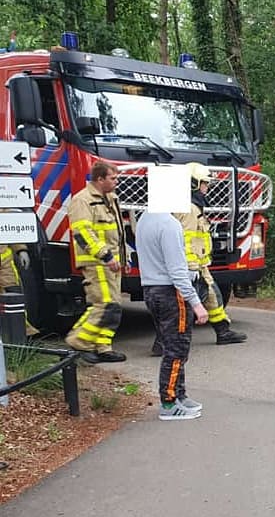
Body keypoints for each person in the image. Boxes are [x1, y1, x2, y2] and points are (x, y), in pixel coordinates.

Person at [150, 162, 247, 355]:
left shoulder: (192, 206)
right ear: (193, 184)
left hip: (200, 264)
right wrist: (190, 268)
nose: (207, 187)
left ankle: (223, 331)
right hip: (191, 266)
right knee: (182, 307)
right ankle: (161, 343)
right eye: (204, 183)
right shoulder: (188, 209)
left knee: (213, 296)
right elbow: (184, 240)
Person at [136, 211, 209, 420]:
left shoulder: (144, 219)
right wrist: (197, 304)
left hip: (151, 289)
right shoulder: (169, 225)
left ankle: (179, 395)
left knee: (170, 345)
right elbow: (177, 271)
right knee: (177, 348)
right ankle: (168, 403)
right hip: (170, 293)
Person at [64, 161, 127, 363]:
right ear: (100, 179)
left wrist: (123, 258)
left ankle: (103, 346)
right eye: (113, 178)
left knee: (114, 305)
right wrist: (106, 256)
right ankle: (78, 342)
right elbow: (83, 233)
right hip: (97, 262)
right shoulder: (82, 200)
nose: (116, 182)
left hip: (112, 262)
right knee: (105, 304)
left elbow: (118, 232)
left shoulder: (110, 199)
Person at [0, 242, 37, 336]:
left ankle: (22, 332)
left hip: (5, 263)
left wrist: (21, 250)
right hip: (5, 262)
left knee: (13, 295)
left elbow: (13, 230)